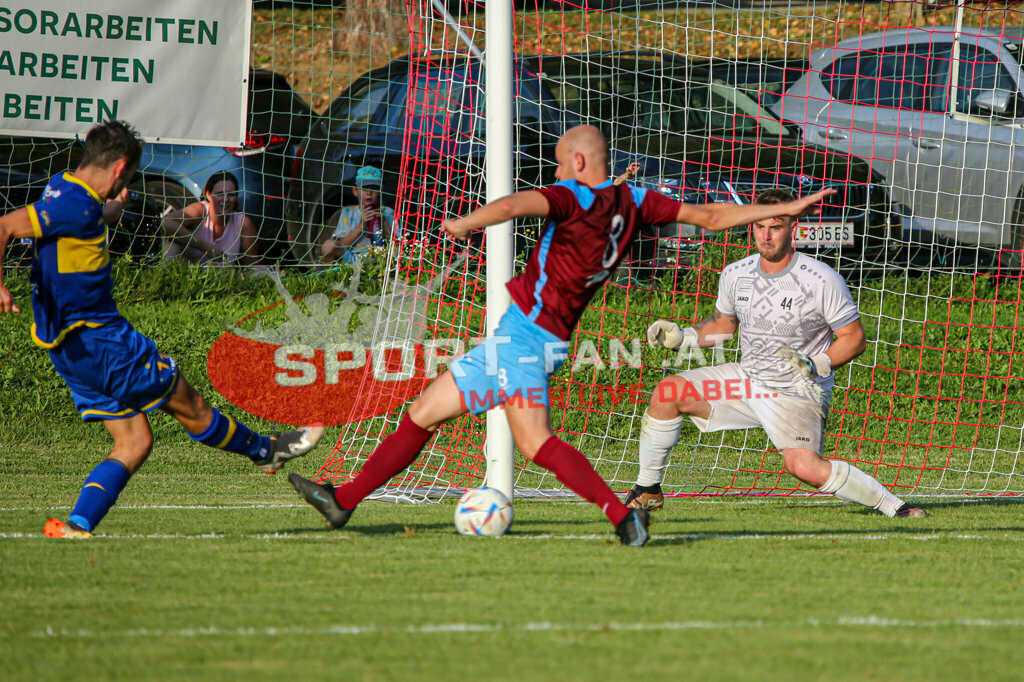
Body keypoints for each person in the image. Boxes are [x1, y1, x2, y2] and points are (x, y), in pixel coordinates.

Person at [287, 125, 834, 546]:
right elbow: (712, 217)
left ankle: (625, 519)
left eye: (557, 163)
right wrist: (786, 207)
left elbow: (511, 206)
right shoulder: (636, 202)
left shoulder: (572, 198)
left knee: (534, 443)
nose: (555, 171)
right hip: (528, 335)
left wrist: (463, 224)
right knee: (425, 411)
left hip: (527, 339)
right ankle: (344, 500)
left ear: (576, 163)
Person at [0, 121, 323, 539]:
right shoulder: (75, 207)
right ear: (119, 168)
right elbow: (4, 226)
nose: (126, 185)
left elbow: (68, 223)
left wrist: (106, 212)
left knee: (134, 442)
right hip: (101, 339)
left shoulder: (63, 186)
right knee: (188, 403)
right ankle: (266, 450)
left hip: (66, 349)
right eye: (130, 177)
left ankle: (76, 524)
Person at [627, 188, 928, 519]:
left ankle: (895, 507)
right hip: (746, 382)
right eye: (759, 226)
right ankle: (647, 491)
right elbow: (722, 326)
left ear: (793, 229)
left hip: (795, 392)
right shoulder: (735, 273)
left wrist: (820, 362)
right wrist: (681, 336)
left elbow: (854, 339)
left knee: (804, 468)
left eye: (776, 227)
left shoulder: (821, 280)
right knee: (667, 393)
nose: (765, 236)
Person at [162, 170, 258, 266]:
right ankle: (168, 276)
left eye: (231, 194)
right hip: (189, 274)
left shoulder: (242, 223)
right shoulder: (200, 210)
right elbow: (164, 222)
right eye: (220, 194)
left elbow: (251, 266)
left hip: (222, 277)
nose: (226, 200)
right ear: (208, 195)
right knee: (171, 238)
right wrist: (205, 246)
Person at [321, 165, 395, 263]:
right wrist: (361, 225)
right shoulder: (348, 212)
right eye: (364, 188)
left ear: (380, 190)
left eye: (374, 188)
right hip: (354, 259)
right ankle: (328, 277)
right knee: (328, 246)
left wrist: (384, 223)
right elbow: (342, 244)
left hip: (382, 259)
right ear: (355, 191)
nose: (369, 192)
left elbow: (397, 245)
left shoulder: (388, 212)